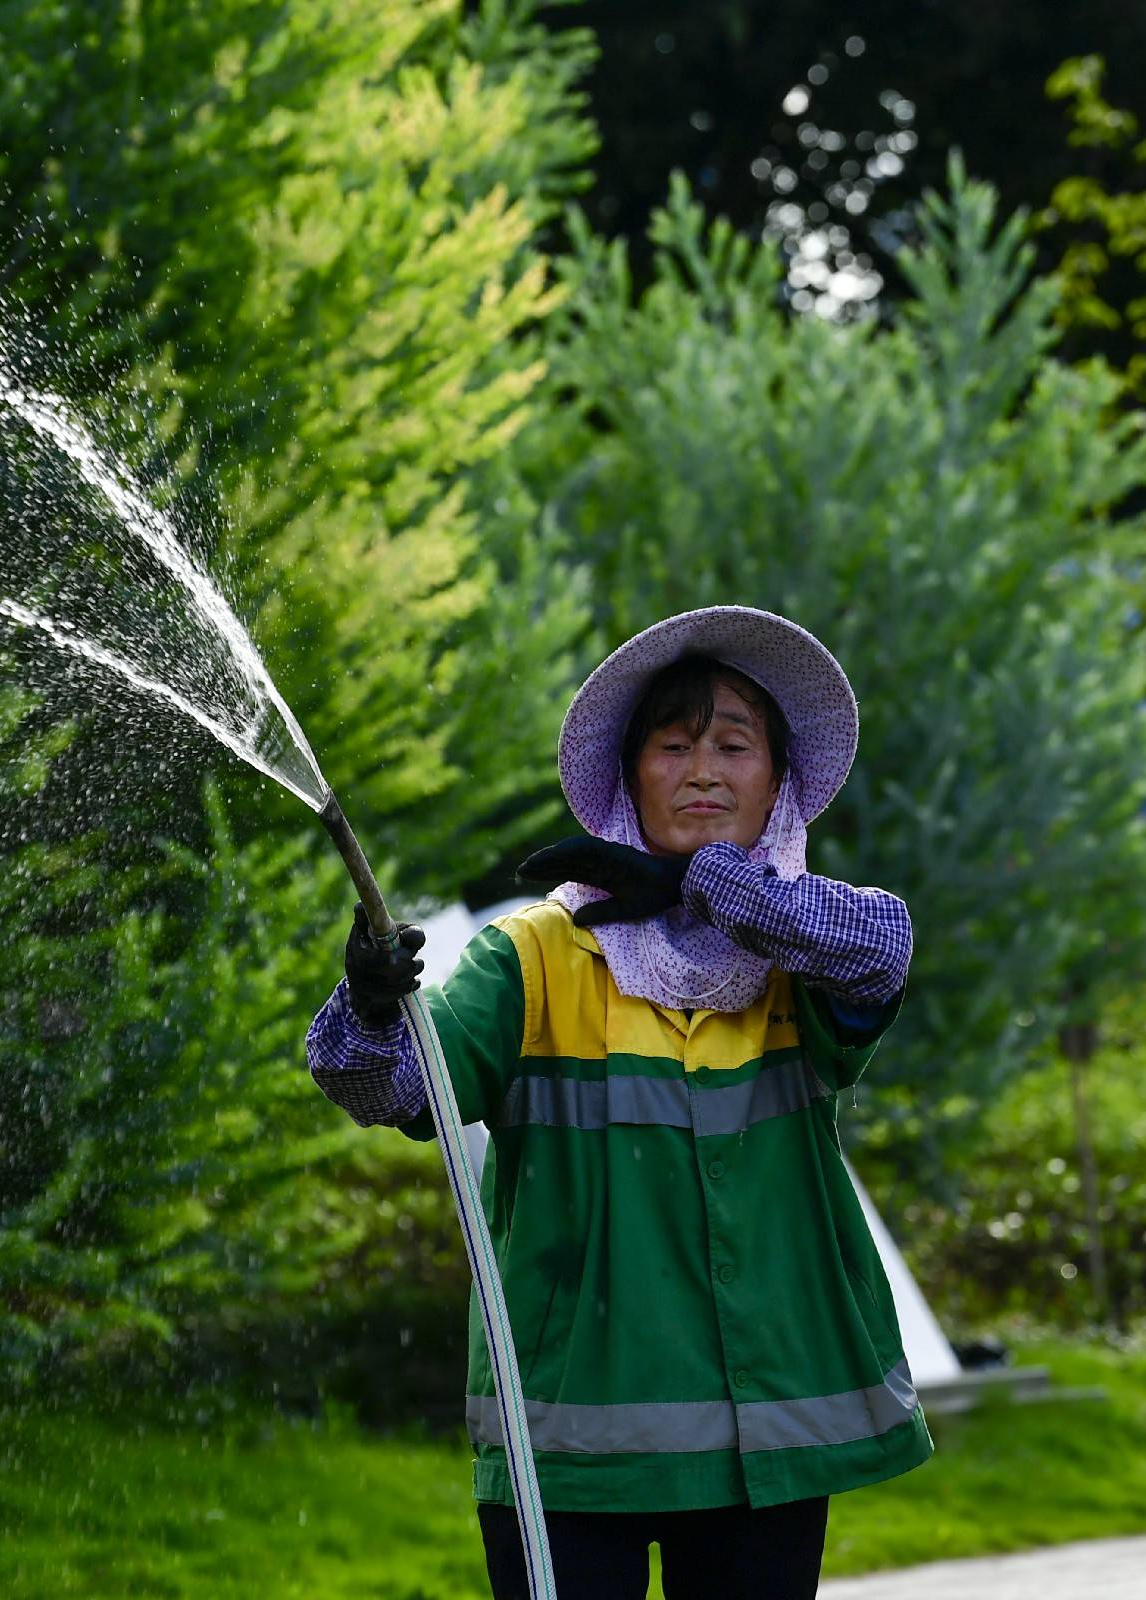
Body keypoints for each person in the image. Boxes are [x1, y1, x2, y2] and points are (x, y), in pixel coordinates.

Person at [307, 606, 929, 1600]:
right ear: (628, 775)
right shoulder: (535, 956)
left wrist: (704, 884)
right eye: (673, 745)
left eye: (735, 745)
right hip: (568, 1444)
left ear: (779, 780)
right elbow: (387, 1086)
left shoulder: (801, 949)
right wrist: (373, 1005)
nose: (703, 771)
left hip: (762, 1444)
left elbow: (886, 947)